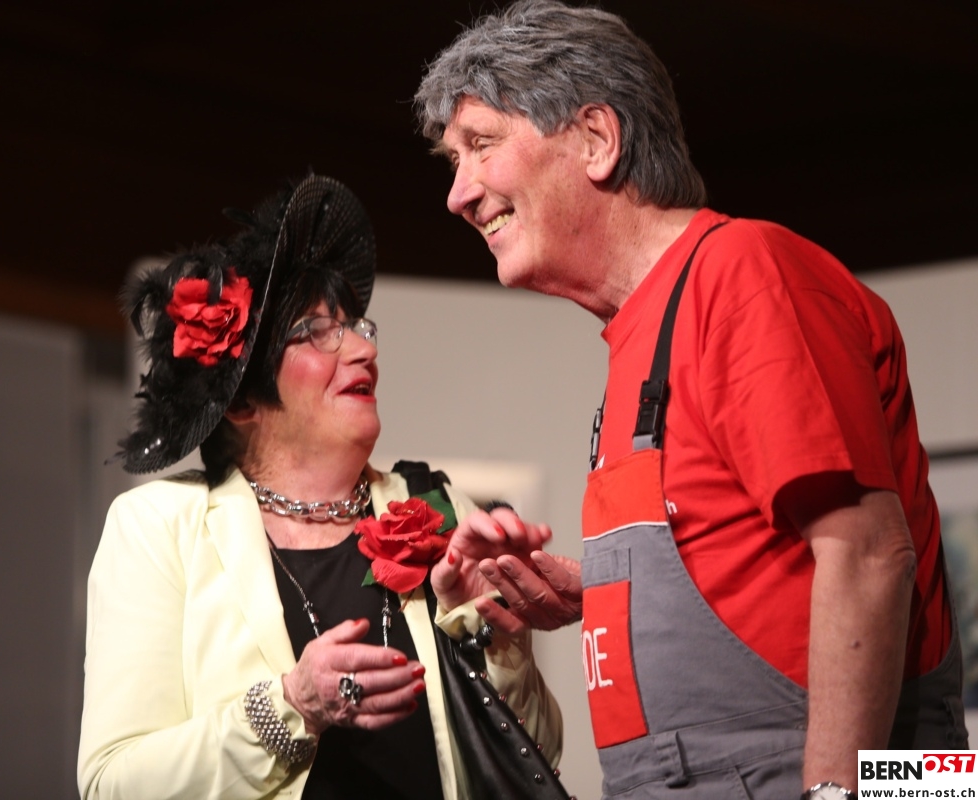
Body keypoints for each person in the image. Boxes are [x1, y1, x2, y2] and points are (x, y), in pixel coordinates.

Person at [414, 2, 969, 798]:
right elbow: (754, 556)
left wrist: (834, 792)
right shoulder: (644, 329)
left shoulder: (743, 272)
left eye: (480, 145)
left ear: (596, 140)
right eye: (452, 160)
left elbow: (870, 552)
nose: (457, 194)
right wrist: (603, 590)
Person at [76, 173, 564, 800]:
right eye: (315, 331)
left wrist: (496, 634)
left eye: (357, 326)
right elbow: (113, 783)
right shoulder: (158, 527)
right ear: (241, 401)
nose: (362, 349)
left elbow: (538, 755)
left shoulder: (437, 509)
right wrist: (292, 708)